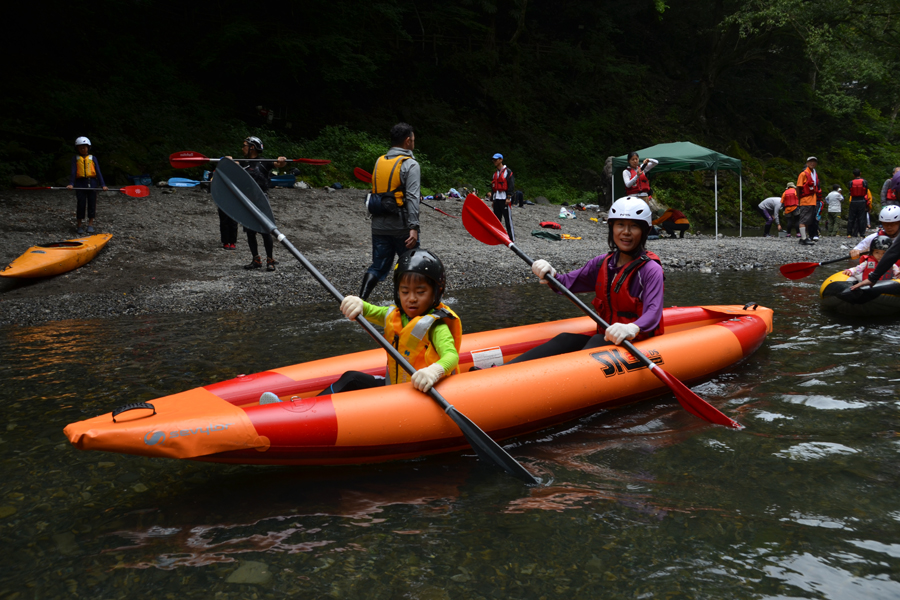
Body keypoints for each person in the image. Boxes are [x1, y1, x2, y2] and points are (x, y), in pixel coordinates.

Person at [506, 196, 664, 365]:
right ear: (612, 228)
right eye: (620, 225)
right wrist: (550, 272)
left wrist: (631, 328)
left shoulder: (651, 270)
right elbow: (565, 283)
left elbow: (653, 313)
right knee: (564, 339)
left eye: (634, 226)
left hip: (636, 342)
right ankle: (501, 371)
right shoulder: (602, 263)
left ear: (644, 231)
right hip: (607, 338)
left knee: (596, 341)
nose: (625, 232)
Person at [319, 249, 461, 395]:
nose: (411, 298)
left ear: (436, 292)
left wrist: (434, 371)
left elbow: (451, 356)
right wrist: (358, 303)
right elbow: (369, 310)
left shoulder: (437, 326)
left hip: (420, 391)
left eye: (420, 292)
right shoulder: (395, 316)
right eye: (405, 292)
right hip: (394, 387)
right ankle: (308, 411)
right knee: (351, 378)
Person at [359, 123, 421, 300]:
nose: (414, 143)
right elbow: (412, 198)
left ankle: (360, 303)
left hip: (378, 226)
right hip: (402, 227)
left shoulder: (379, 161)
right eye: (413, 140)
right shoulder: (410, 164)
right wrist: (414, 227)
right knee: (410, 267)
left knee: (377, 267)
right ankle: (405, 307)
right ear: (408, 141)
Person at [226, 136, 287, 270]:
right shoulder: (242, 162)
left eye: (245, 145)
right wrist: (227, 161)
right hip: (247, 201)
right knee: (250, 231)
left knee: (266, 231)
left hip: (261, 200)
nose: (243, 148)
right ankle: (256, 260)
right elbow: (230, 165)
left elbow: (278, 164)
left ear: (252, 147)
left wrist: (282, 161)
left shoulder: (264, 162)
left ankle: (270, 260)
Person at [66, 137, 108, 234]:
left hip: (92, 184)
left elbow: (98, 172)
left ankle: (90, 225)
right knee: (81, 205)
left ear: (88, 148)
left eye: (84, 147)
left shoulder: (93, 158)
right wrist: (71, 184)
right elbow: (73, 172)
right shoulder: (75, 158)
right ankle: (79, 225)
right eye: (80, 148)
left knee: (91, 205)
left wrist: (103, 185)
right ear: (77, 148)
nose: (82, 149)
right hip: (80, 184)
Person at [796, 156, 822, 245]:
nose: (812, 163)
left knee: (808, 220)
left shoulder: (813, 174)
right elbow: (798, 187)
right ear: (807, 163)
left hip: (812, 201)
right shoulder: (803, 174)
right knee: (803, 220)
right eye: (810, 161)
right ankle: (803, 239)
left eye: (814, 161)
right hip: (805, 200)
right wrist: (798, 201)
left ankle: (804, 237)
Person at [490, 153, 515, 239]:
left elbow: (511, 185)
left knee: (507, 219)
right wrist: (493, 199)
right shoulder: (495, 173)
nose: (494, 161)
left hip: (504, 198)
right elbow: (493, 187)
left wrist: (509, 197)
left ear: (501, 160)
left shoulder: (507, 171)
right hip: (497, 198)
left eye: (496, 160)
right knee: (496, 219)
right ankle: (496, 236)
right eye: (493, 160)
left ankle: (511, 237)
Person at [846, 168, 869, 238]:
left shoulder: (851, 182)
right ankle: (862, 233)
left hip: (853, 200)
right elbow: (866, 191)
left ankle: (849, 233)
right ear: (860, 173)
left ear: (853, 175)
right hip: (861, 200)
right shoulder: (864, 182)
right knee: (861, 217)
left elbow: (850, 190)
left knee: (851, 217)